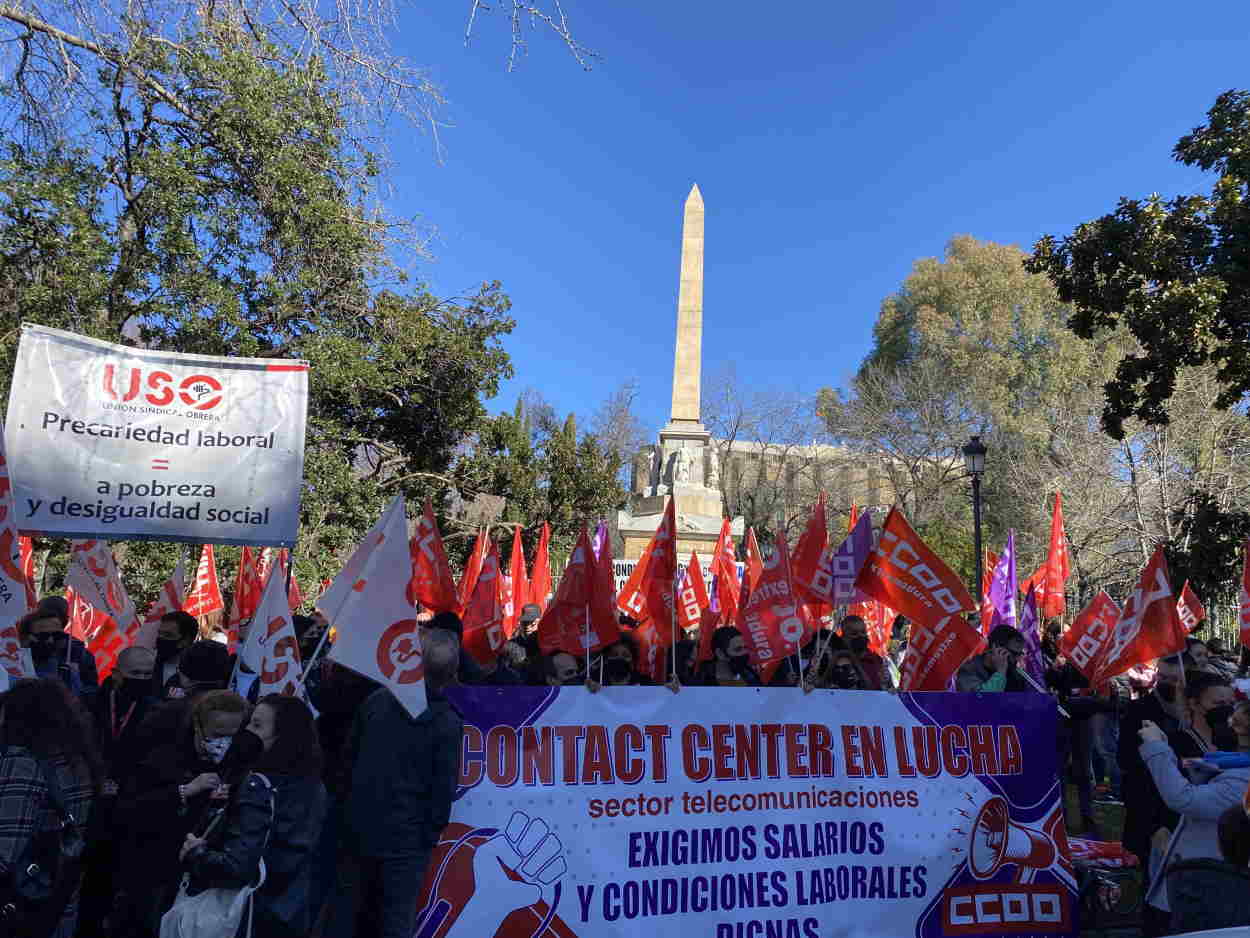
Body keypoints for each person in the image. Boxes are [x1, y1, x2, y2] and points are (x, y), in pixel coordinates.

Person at [326, 629, 464, 938]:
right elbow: (443, 787)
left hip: (360, 825)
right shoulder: (446, 723)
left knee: (345, 913)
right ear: (452, 673)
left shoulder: (377, 701)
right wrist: (429, 833)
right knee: (396, 919)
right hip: (406, 837)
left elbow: (347, 762)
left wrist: (347, 810)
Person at [179, 695, 327, 938]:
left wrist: (197, 854)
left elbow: (237, 866)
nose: (247, 731)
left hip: (244, 913)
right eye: (249, 723)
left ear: (283, 737)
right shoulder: (315, 786)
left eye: (257, 726)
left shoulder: (259, 785)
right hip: (289, 914)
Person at [114, 690, 249, 936]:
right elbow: (129, 809)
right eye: (217, 734)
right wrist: (185, 791)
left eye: (232, 735)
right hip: (150, 870)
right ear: (197, 726)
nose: (224, 743)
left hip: (193, 881)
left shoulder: (237, 767)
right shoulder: (163, 758)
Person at [0, 679, 100, 938]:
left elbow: (7, 845)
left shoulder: (25, 762)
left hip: (19, 898)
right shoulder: (77, 758)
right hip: (58, 894)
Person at [1139, 708, 1250, 930]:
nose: (1227, 721)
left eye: (1234, 716)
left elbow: (1184, 798)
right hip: (1200, 883)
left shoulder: (1243, 779)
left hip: (1208, 890)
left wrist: (1156, 748)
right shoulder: (1234, 763)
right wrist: (1165, 748)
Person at [79, 646, 159, 937]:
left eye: (148, 674)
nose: (142, 679)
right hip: (88, 804)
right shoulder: (89, 704)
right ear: (116, 674)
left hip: (128, 809)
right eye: (135, 674)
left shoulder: (156, 711)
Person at [1117, 655, 1187, 934]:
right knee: (1156, 890)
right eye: (1165, 678)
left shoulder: (1197, 712)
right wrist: (1152, 825)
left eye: (1176, 679)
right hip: (1153, 813)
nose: (1170, 684)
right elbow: (1129, 765)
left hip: (1186, 815)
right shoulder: (1140, 711)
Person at [18, 608, 99, 707]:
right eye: (44, 636)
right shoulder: (13, 665)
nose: (51, 640)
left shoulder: (78, 658)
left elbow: (90, 698)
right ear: (26, 639)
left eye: (57, 635)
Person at [956, 625, 1028, 692]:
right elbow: (982, 701)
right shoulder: (969, 671)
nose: (1017, 659)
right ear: (996, 647)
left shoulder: (1015, 675)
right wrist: (1000, 673)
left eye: (1020, 654)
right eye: (1014, 654)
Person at [840, 615, 893, 690]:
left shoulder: (877, 660)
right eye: (854, 634)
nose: (860, 636)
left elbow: (891, 691)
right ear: (844, 637)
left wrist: (887, 683)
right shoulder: (837, 659)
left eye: (863, 632)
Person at [154, 611, 200, 696]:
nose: (161, 639)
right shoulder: (146, 666)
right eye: (159, 633)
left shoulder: (197, 675)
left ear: (185, 640)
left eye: (168, 635)